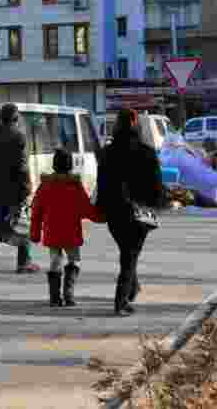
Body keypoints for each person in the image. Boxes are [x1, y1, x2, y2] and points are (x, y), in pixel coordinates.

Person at [95, 109, 166, 316]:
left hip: (113, 211)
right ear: (135, 123)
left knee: (127, 253)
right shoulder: (146, 151)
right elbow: (156, 184)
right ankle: (122, 300)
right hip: (139, 212)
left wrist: (101, 206)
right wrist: (159, 203)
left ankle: (131, 289)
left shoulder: (107, 152)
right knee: (130, 255)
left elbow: (102, 182)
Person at [30, 148, 104, 307]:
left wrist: (35, 233)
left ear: (54, 165)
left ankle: (54, 298)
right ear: (70, 165)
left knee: (55, 261)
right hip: (71, 232)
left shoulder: (45, 186)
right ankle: (68, 295)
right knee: (74, 260)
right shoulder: (75, 186)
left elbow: (36, 211)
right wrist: (102, 217)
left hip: (52, 232)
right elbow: (87, 209)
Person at [0, 103, 40, 278]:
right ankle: (24, 262)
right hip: (16, 189)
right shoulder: (19, 137)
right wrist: (27, 188)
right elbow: (22, 167)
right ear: (15, 118)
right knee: (23, 222)